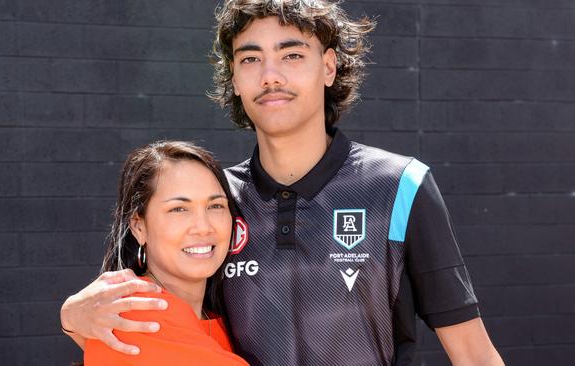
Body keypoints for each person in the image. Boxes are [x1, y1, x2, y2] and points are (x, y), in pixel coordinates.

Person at [60, 1, 505, 365]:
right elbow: (148, 334)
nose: (270, 75)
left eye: (292, 54)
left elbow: (473, 355)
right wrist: (72, 316)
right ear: (234, 78)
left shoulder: (400, 185)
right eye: (250, 59)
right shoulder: (217, 205)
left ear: (328, 67)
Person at [74, 141, 248, 365]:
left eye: (215, 206)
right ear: (138, 226)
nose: (204, 227)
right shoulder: (137, 316)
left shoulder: (219, 318)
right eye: (179, 209)